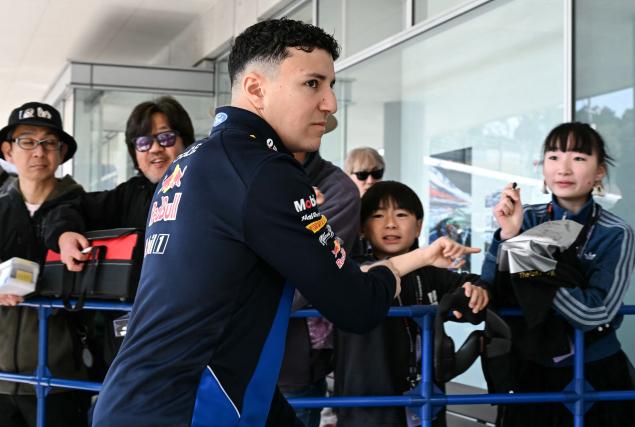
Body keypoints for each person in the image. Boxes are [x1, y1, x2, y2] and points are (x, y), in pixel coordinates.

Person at [91, 19, 479, 427]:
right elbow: (356, 304)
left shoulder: (191, 163)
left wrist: (411, 260)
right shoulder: (263, 170)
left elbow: (222, 306)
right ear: (257, 89)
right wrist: (396, 270)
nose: (329, 103)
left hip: (148, 395)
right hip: (187, 407)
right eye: (312, 84)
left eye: (330, 85)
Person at [481, 122, 635, 426]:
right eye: (553, 157)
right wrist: (510, 234)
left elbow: (594, 313)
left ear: (599, 172)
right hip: (528, 368)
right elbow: (491, 286)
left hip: (593, 370)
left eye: (578, 158)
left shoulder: (616, 233)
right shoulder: (523, 218)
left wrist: (526, 263)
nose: (563, 168)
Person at [44, 96, 195, 366]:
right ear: (135, 154)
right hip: (130, 340)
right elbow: (66, 209)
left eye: (166, 138)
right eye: (143, 143)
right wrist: (64, 235)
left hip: (190, 337)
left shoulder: (208, 190)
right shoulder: (129, 195)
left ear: (185, 141)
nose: (155, 149)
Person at [335, 181, 489, 427]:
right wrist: (424, 255)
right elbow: (360, 279)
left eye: (401, 215)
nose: (390, 224)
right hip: (367, 408)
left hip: (426, 405)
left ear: (418, 226)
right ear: (362, 228)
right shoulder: (351, 266)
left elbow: (473, 282)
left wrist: (478, 289)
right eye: (377, 215)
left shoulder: (430, 272)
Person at [0, 102, 89, 426]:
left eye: (48, 142)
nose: (39, 151)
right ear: (8, 151)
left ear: (61, 151)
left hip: (61, 379)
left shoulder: (83, 206)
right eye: (27, 140)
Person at [279, 116, 361, 427]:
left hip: (292, 366)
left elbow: (306, 276)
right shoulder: (241, 174)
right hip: (220, 359)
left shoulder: (338, 190)